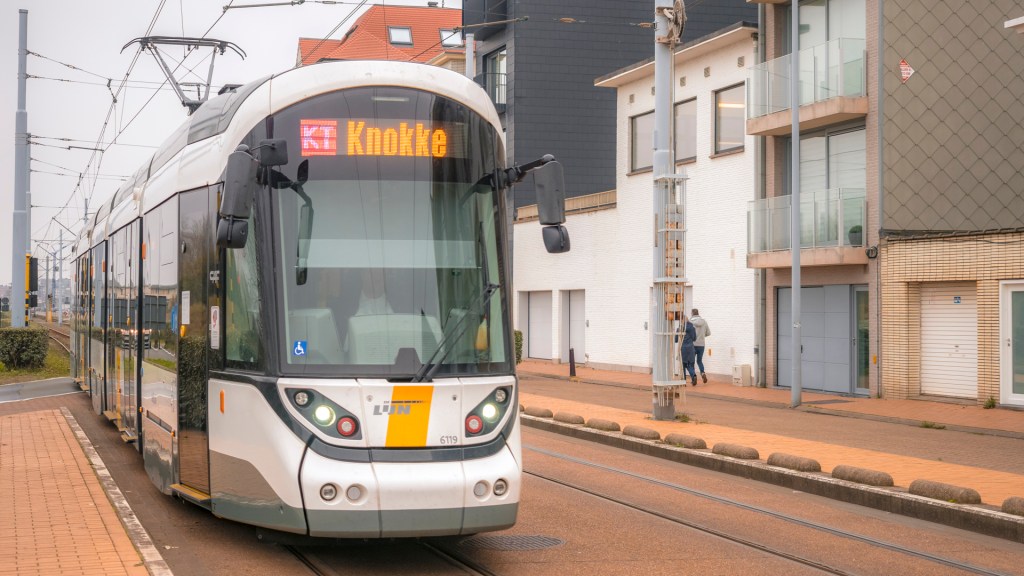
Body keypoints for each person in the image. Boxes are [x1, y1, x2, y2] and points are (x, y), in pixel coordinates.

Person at [690, 308, 711, 383]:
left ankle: (693, 377)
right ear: (698, 313)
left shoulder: (690, 322)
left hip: (692, 344)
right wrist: (702, 336)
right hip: (701, 345)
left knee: (691, 362)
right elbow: (708, 333)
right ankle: (702, 373)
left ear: (692, 313)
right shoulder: (704, 322)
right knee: (699, 361)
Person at [679, 314, 697, 386]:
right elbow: (694, 338)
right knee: (690, 364)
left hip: (683, 348)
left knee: (683, 365)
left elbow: (676, 340)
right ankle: (693, 376)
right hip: (691, 348)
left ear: (682, 320)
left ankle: (684, 382)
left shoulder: (680, 328)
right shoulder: (692, 328)